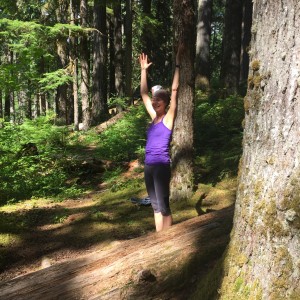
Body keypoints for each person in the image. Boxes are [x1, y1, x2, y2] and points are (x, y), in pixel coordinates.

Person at [139, 45, 182, 232]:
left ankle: (168, 239)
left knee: (164, 207)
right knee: (155, 206)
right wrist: (143, 71)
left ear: (165, 103)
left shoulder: (168, 119)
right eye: (154, 100)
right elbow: (143, 94)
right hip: (148, 165)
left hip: (161, 166)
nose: (155, 102)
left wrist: (178, 65)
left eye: (159, 100)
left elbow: (174, 90)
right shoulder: (153, 118)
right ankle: (159, 238)